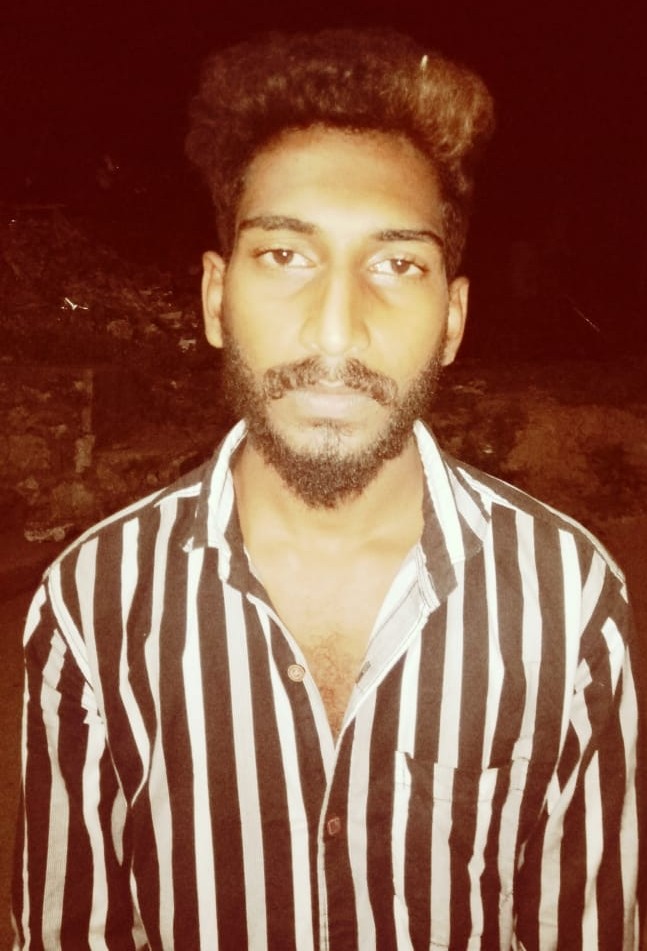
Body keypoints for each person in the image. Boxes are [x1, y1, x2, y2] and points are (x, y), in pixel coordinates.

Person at [12, 28, 642, 951]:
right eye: (284, 255)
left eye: (397, 263)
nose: (337, 330)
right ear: (215, 299)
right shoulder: (91, 602)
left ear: (452, 319)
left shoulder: (570, 599)